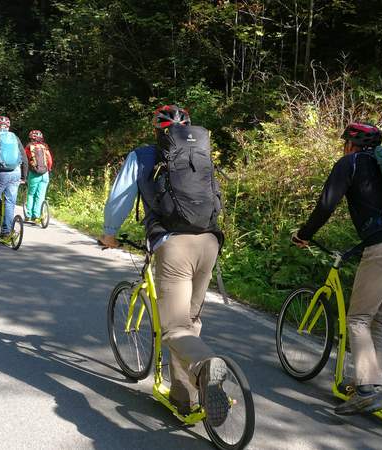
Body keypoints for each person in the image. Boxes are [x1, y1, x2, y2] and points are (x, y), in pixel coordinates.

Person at [99, 105, 230, 426]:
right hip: (210, 241)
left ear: (156, 129)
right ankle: (184, 398)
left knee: (173, 329)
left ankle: (205, 364)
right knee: (190, 320)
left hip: (173, 246)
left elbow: (120, 198)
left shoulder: (143, 155)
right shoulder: (200, 153)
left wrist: (109, 234)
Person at [291, 122, 382, 415]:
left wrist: (304, 234)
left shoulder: (349, 163)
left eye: (344, 143)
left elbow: (326, 205)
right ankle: (371, 383)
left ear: (351, 144)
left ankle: (365, 388)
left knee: (359, 319)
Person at [23, 130, 53, 222]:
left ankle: (28, 215)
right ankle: (36, 216)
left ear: (31, 138)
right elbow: (50, 161)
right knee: (40, 195)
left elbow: (24, 160)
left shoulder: (29, 147)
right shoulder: (45, 147)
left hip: (34, 173)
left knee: (31, 194)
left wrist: (24, 173)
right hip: (45, 174)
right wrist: (48, 169)